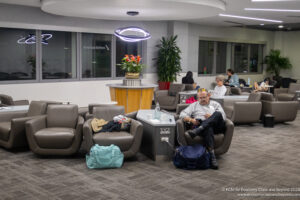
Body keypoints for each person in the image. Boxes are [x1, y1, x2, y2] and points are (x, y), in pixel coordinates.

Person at [179, 89, 226, 170]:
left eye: (204, 97)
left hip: (217, 126)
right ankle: (212, 157)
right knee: (208, 128)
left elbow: (223, 116)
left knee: (217, 113)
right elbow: (182, 114)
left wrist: (211, 116)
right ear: (197, 98)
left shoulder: (215, 104)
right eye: (200, 98)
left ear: (208, 96)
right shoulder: (194, 105)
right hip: (204, 126)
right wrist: (191, 120)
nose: (202, 99)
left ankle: (199, 129)